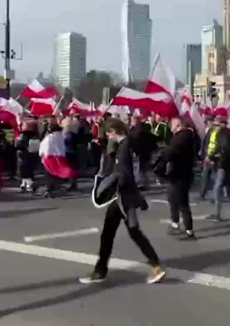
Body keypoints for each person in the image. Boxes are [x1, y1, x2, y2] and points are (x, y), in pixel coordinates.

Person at [80, 118, 166, 284]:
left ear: (113, 131)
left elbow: (124, 173)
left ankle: (102, 271)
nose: (108, 136)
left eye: (108, 133)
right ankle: (102, 269)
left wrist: (110, 182)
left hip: (123, 196)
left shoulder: (124, 147)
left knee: (122, 233)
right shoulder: (128, 145)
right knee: (118, 233)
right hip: (124, 196)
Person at [158, 116, 197, 239]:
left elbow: (172, 151)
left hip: (181, 174)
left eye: (172, 124)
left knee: (182, 203)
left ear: (179, 125)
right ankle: (175, 223)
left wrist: (162, 162)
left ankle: (189, 231)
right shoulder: (181, 137)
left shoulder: (184, 137)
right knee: (172, 198)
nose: (171, 127)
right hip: (176, 174)